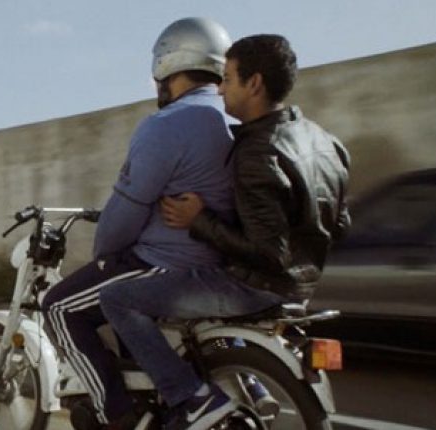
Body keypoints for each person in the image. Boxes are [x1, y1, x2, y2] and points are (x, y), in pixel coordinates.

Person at [99, 34, 351, 430]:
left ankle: (191, 401)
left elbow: (268, 253)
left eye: (228, 79)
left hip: (254, 286)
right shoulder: (324, 140)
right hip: (302, 286)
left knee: (118, 299)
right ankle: (247, 385)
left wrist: (199, 220)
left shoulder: (257, 152)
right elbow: (339, 225)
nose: (219, 90)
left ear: (254, 84)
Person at [40, 17, 238, 429]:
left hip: (165, 264)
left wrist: (103, 257)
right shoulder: (234, 118)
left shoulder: (166, 124)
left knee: (58, 307)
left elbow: (126, 212)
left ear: (168, 63)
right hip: (223, 264)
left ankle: (116, 414)